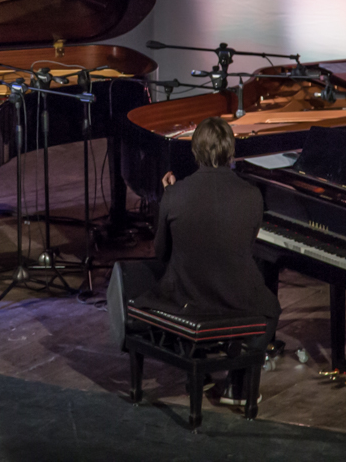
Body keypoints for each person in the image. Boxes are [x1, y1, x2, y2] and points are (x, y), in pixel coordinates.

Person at [108, 116, 280, 406]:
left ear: (194, 152)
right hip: (236, 296)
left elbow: (161, 252)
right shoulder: (252, 196)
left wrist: (167, 199)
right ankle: (238, 387)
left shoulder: (175, 195)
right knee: (271, 308)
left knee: (162, 282)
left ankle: (196, 372)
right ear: (232, 152)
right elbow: (244, 247)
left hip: (188, 295)